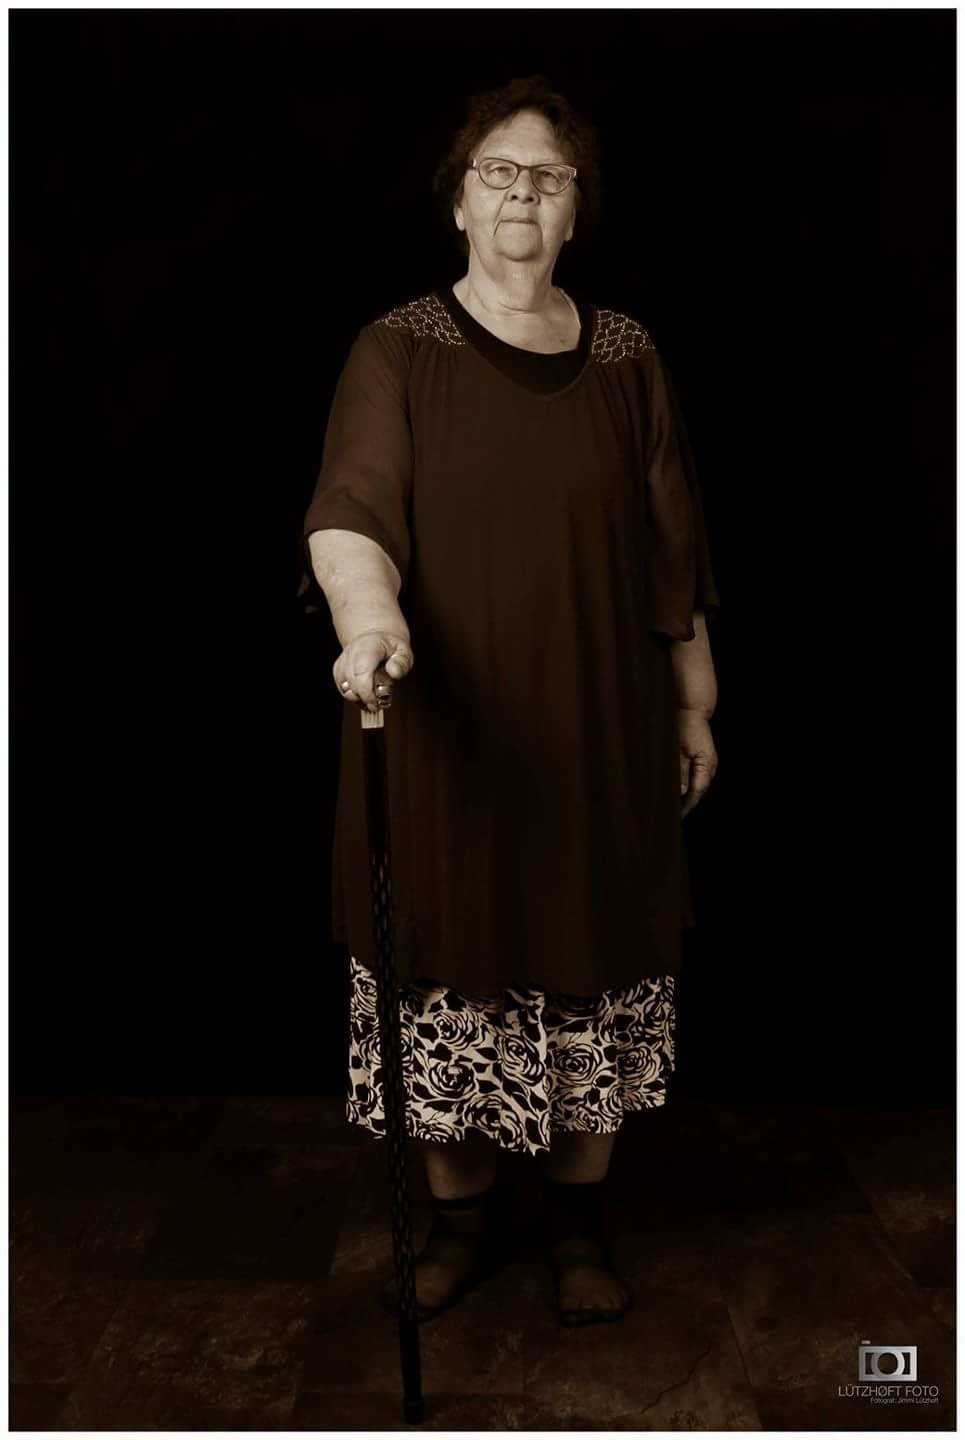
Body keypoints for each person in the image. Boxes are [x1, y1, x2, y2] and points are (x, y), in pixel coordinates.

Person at [297, 74, 720, 1327]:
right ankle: (460, 1221)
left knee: (598, 961)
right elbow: (349, 511)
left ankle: (577, 1224)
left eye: (547, 176)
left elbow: (672, 550)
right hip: (449, 732)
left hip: (601, 725)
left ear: (575, 210)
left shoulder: (626, 355)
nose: (521, 194)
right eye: (498, 172)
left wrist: (692, 706)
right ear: (459, 202)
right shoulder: (396, 347)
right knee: (447, 968)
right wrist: (369, 624)